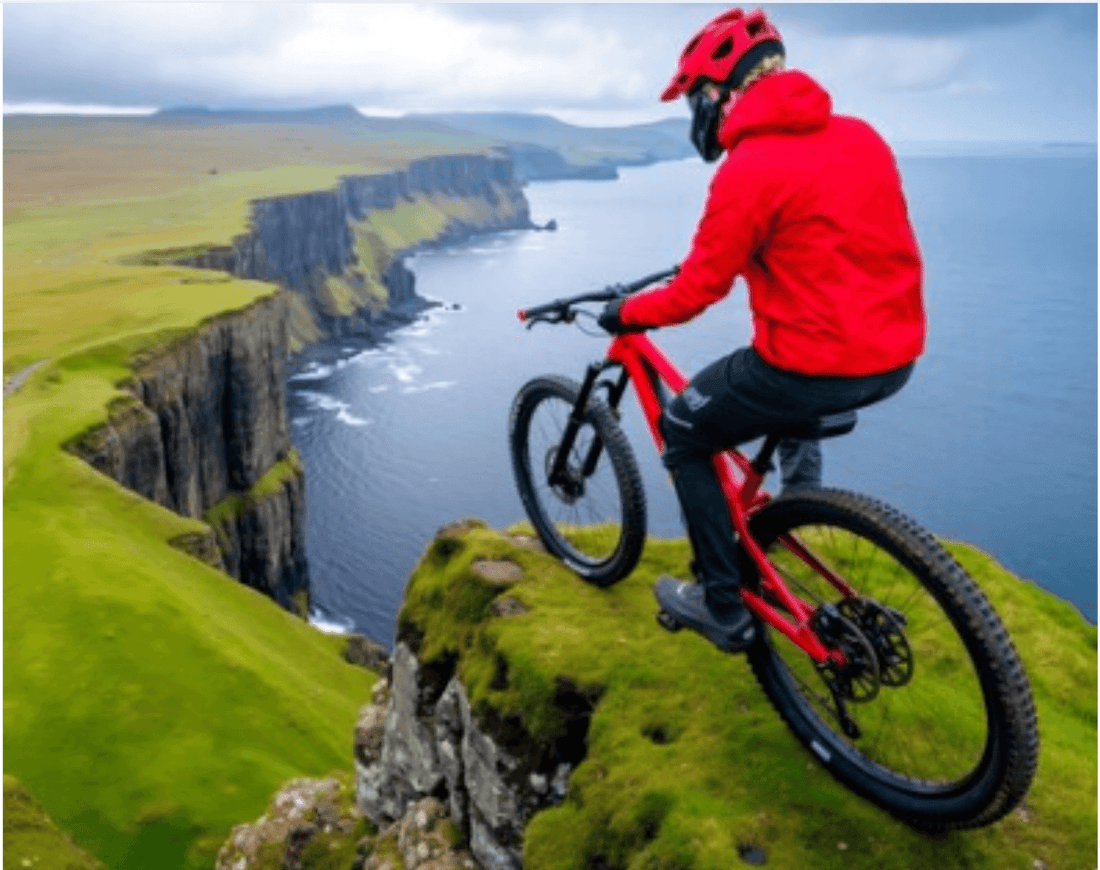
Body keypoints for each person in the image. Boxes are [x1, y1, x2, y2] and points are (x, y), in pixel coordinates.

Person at [597, 7, 926, 652]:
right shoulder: (863, 136)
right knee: (786, 395)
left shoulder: (748, 169)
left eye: (694, 96)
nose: (695, 111)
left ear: (719, 91)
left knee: (685, 431)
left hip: (813, 364)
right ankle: (794, 518)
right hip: (894, 356)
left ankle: (720, 605)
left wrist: (626, 313)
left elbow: (696, 292)